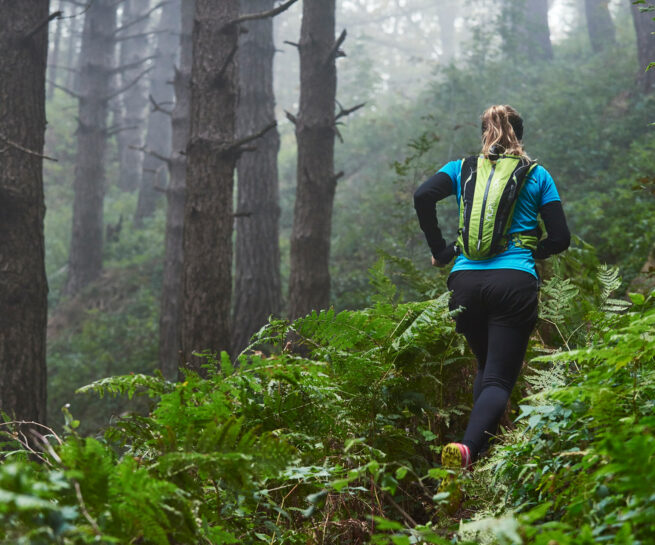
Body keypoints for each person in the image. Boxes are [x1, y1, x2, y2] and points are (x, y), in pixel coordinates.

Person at [413, 104, 571, 469]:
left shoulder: (461, 169)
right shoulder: (537, 174)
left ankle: (477, 457)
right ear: (520, 133)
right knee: (499, 377)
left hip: (465, 282)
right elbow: (561, 237)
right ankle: (468, 451)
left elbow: (422, 196)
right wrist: (531, 252)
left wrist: (441, 250)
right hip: (513, 282)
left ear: (483, 133)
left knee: (486, 365)